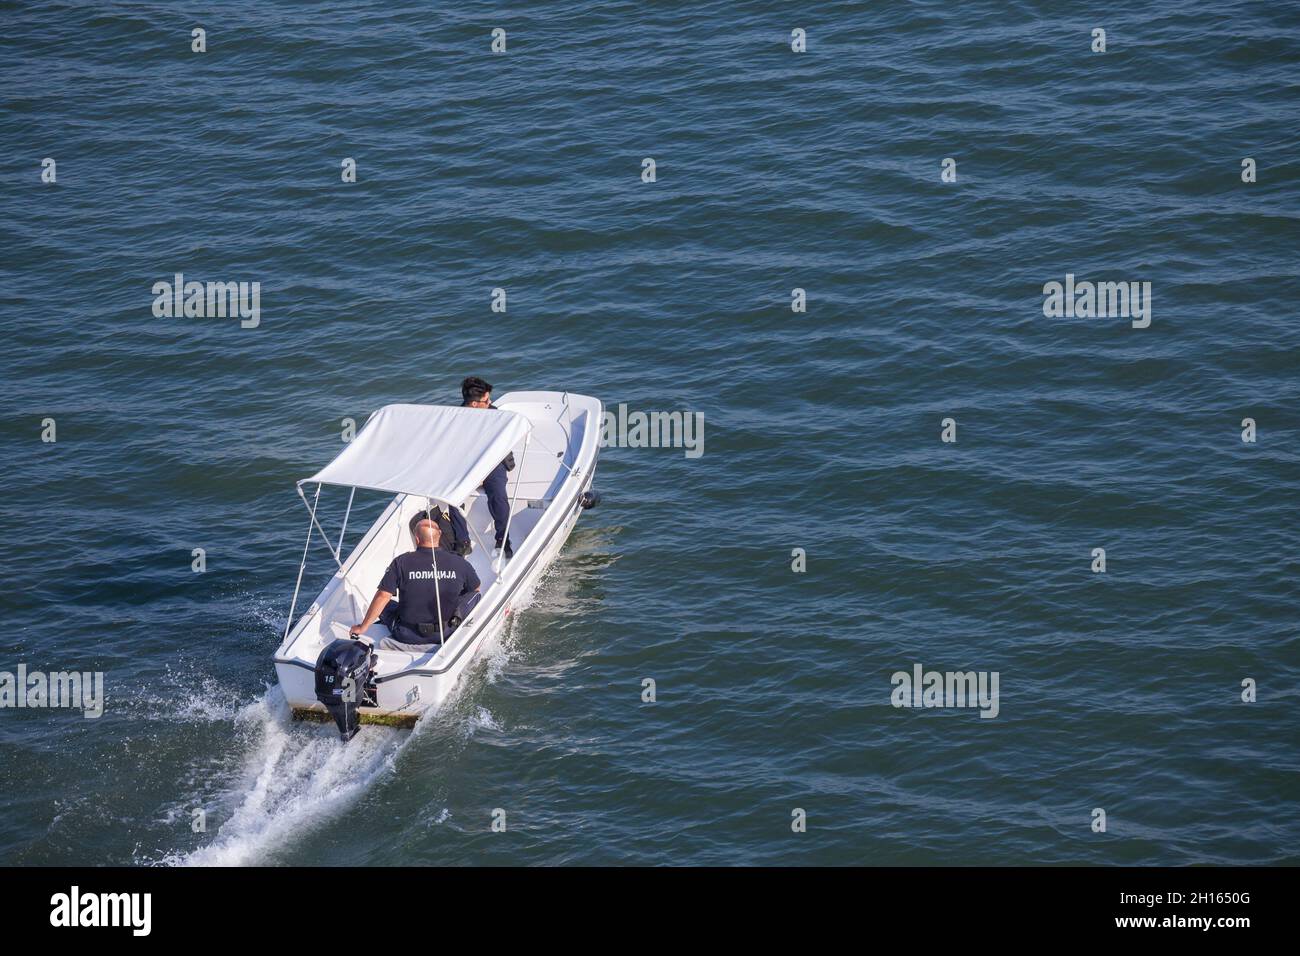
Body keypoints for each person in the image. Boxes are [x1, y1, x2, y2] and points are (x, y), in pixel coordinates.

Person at [350, 511, 480, 652]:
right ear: (439, 536)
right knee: (475, 595)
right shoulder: (458, 562)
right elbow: (476, 588)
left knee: (385, 602)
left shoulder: (401, 562)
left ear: (417, 539)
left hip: (407, 634)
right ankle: (457, 621)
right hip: (445, 632)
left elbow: (383, 596)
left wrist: (363, 627)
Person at [461, 376, 515, 561]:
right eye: (486, 400)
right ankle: (462, 540)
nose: (490, 402)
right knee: (452, 496)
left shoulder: (495, 414)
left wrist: (485, 472)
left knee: (498, 494)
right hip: (467, 464)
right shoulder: (456, 418)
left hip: (493, 463)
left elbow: (502, 447)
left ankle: (503, 539)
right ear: (475, 404)